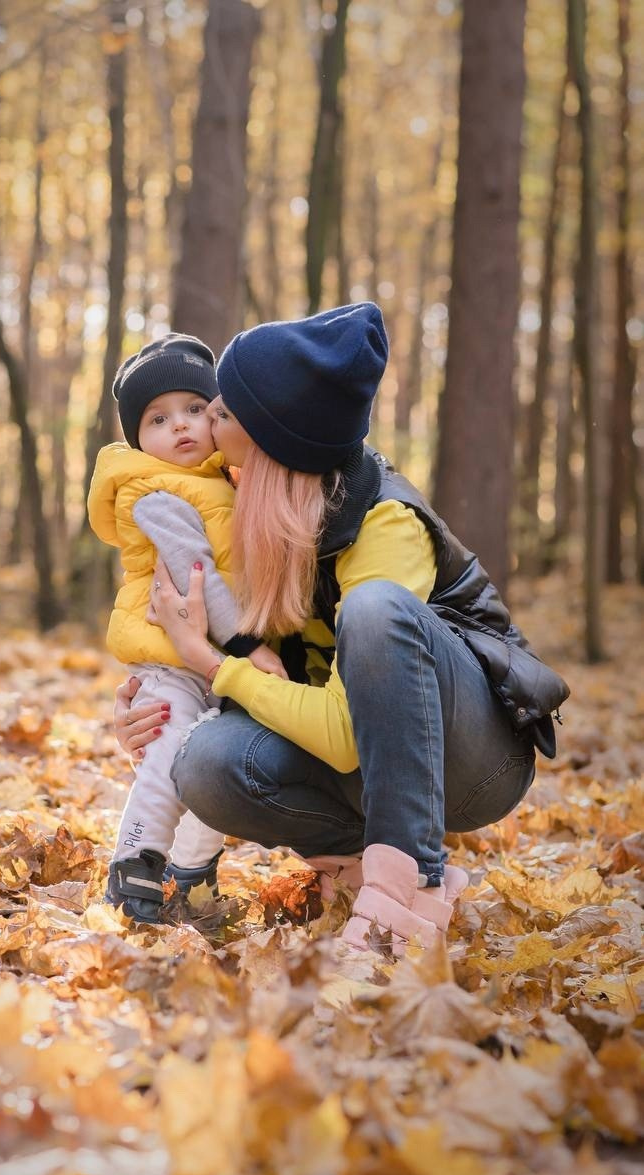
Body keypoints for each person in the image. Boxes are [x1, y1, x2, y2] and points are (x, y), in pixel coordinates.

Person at [114, 303, 569, 953]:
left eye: (222, 410)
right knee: (207, 763)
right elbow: (198, 631)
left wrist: (214, 665)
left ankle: (406, 886)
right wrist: (155, 698)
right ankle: (355, 865)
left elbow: (341, 732)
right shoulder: (241, 507)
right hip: (359, 759)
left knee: (373, 610)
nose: (206, 416)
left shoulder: (382, 520)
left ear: (271, 436)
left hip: (472, 761)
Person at [87, 332, 285, 923]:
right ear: (136, 439)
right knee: (170, 744)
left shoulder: (223, 480)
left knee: (208, 773)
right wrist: (249, 646)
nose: (179, 426)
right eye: (157, 419)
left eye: (195, 409)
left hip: (213, 655)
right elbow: (198, 578)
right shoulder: (154, 492)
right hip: (172, 657)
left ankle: (193, 874)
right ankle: (135, 859)